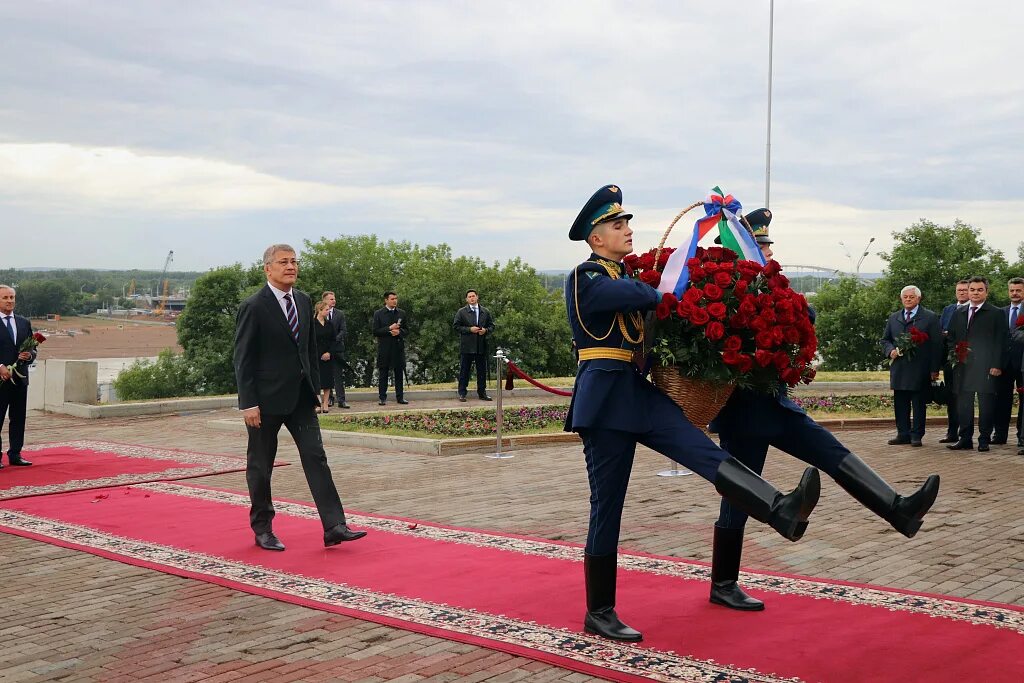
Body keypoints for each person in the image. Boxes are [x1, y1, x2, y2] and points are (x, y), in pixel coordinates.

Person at [565, 185, 822, 643]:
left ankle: (779, 508)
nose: (626, 230)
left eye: (626, 223)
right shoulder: (586, 277)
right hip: (603, 400)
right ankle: (599, 610)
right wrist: (663, 284)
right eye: (616, 225)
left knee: (702, 452)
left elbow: (654, 309)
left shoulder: (620, 275)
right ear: (595, 237)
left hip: (637, 392)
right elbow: (633, 297)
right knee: (609, 504)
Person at [707, 210, 939, 612]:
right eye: (760, 246)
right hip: (741, 409)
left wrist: (777, 299)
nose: (768, 251)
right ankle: (724, 582)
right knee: (741, 492)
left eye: (766, 246)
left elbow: (807, 318)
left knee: (831, 451)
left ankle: (898, 509)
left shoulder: (773, 286)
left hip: (776, 402)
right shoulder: (720, 293)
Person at [233, 244, 367, 551]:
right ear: (268, 268)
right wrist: (248, 403)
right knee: (261, 465)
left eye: (294, 261)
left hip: (301, 399)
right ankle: (263, 528)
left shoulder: (305, 301)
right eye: (283, 262)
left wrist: (318, 394)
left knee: (316, 457)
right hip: (264, 403)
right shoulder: (254, 306)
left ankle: (334, 526)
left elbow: (308, 351)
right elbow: (243, 358)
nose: (290, 266)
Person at [946, 276, 1008, 452]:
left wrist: (997, 365)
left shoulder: (996, 313)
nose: (975, 293)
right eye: (972, 289)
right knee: (964, 404)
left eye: (979, 290)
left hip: (986, 367)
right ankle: (965, 439)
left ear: (986, 292)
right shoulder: (959, 312)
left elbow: (1001, 341)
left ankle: (984, 439)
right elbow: (951, 337)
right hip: (963, 367)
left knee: (986, 405)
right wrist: (955, 354)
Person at [881, 285, 943, 446]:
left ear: (918, 299)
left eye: (911, 297)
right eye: (905, 297)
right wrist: (890, 351)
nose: (908, 299)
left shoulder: (929, 317)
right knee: (900, 403)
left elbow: (937, 345)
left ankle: (916, 435)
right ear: (901, 299)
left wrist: (935, 369)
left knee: (918, 403)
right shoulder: (894, 317)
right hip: (900, 368)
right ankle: (903, 434)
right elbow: (885, 339)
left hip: (920, 369)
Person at [0, 285, 35, 468]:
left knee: (18, 418)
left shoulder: (23, 322)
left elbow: (33, 348)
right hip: (0, 380)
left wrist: (29, 356)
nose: (9, 301)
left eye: (12, 297)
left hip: (20, 380)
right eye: (5, 297)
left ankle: (15, 454)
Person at [991, 277, 1023, 447]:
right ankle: (1000, 434)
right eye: (1012, 290)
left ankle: (1021, 435)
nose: (1015, 293)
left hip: (1022, 363)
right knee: (1002, 399)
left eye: (1018, 290)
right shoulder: (1000, 312)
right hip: (1003, 363)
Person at [939, 280, 971, 443]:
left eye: (965, 290)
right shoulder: (948, 309)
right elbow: (941, 331)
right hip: (950, 360)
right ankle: (952, 432)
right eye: (959, 290)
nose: (962, 293)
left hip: (968, 361)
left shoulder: (974, 310)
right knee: (951, 396)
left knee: (964, 397)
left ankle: (964, 433)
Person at [453, 289, 494, 401]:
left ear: (477, 297)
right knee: (464, 371)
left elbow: (492, 326)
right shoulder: (461, 312)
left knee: (481, 371)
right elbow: (456, 327)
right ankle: (462, 393)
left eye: (473, 296)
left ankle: (482, 393)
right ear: (467, 299)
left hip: (481, 346)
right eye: (469, 297)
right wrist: (469, 329)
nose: (472, 298)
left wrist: (485, 330)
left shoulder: (485, 311)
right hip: (467, 347)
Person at [372, 292, 409, 406]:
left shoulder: (401, 313)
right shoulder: (378, 314)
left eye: (396, 298)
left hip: (398, 347)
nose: (395, 301)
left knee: (399, 373)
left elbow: (407, 330)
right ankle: (382, 397)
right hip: (385, 347)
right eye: (392, 299)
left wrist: (399, 332)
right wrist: (389, 329)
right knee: (383, 373)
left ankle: (400, 397)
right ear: (386, 300)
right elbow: (375, 331)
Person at [322, 291, 350, 409]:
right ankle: (329, 399)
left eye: (334, 299)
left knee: (338, 375)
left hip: (337, 349)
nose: (334, 301)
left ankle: (341, 400)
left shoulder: (340, 314)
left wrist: (334, 340)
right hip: (325, 350)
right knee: (327, 375)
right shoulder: (320, 314)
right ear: (325, 301)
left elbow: (343, 330)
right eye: (331, 299)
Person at [313, 299, 336, 414]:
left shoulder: (330, 324)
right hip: (315, 356)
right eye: (326, 310)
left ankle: (325, 403)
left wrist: (329, 353)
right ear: (319, 310)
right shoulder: (312, 324)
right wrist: (318, 354)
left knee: (327, 380)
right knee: (316, 380)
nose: (328, 311)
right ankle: (317, 403)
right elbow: (309, 341)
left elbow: (333, 340)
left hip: (328, 356)